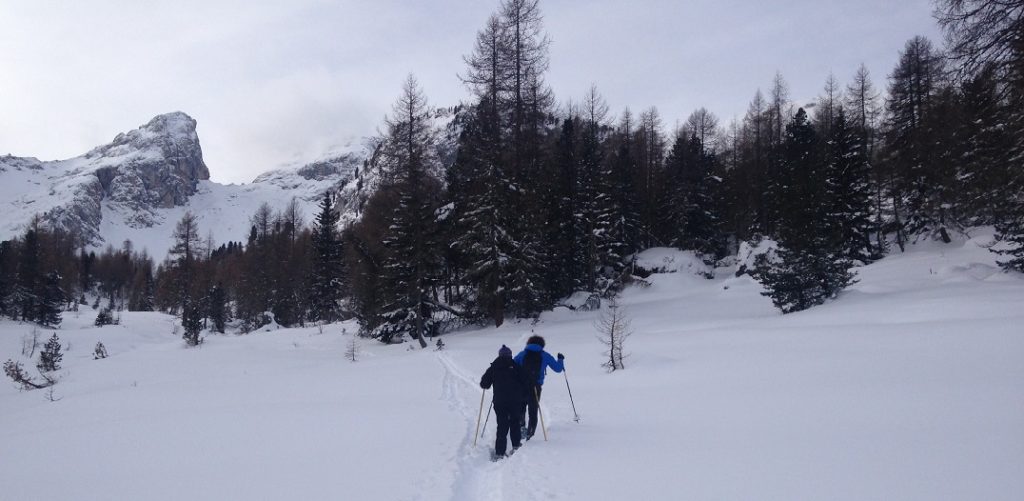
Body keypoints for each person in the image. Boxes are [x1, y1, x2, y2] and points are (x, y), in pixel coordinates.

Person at [480, 344, 531, 461]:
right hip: (515, 401)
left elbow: (484, 384)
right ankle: (516, 446)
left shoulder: (494, 367)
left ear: (499, 355)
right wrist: (524, 396)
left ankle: (499, 453)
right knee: (515, 423)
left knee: (502, 426)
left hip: (500, 401)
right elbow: (525, 382)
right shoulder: (516, 367)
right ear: (510, 355)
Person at [514, 335, 564, 440]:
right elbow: (558, 369)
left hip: (521, 385)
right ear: (542, 345)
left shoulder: (522, 354)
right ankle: (530, 433)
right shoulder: (545, 356)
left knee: (521, 407)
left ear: (528, 343)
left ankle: (521, 428)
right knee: (533, 409)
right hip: (536, 387)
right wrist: (560, 359)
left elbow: (512, 366)